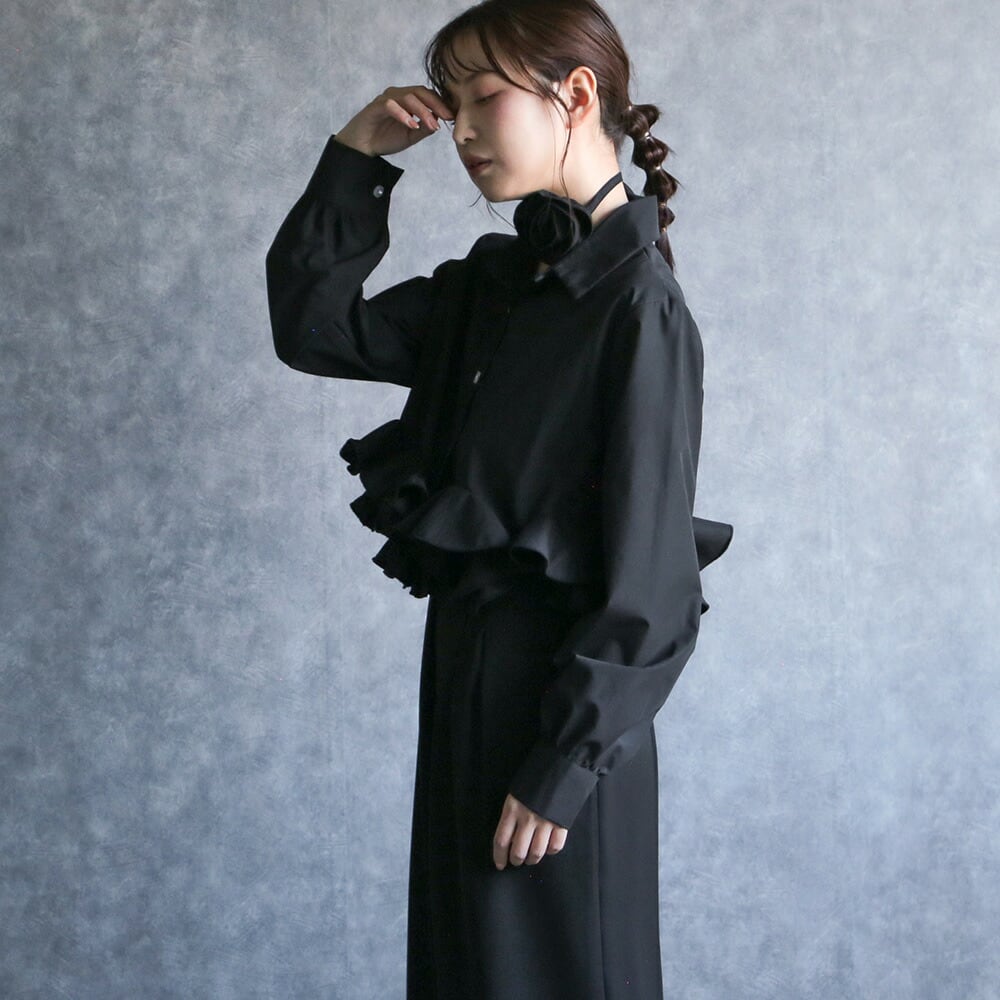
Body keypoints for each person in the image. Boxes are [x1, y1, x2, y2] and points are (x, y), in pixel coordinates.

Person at [265, 1, 733, 996]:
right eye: (455, 106)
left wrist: (562, 765)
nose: (462, 132)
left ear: (576, 94)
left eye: (484, 99)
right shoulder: (495, 284)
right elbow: (317, 329)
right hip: (463, 690)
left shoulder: (639, 306)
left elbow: (654, 583)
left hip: (558, 730)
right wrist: (356, 157)